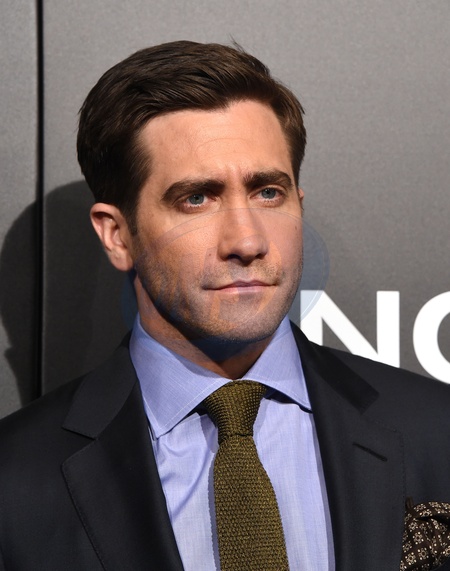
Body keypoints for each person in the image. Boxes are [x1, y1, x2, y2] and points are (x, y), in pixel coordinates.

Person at [0, 41, 450, 571]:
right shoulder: (15, 480)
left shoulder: (436, 430)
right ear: (117, 235)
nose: (247, 241)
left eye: (268, 193)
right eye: (197, 198)